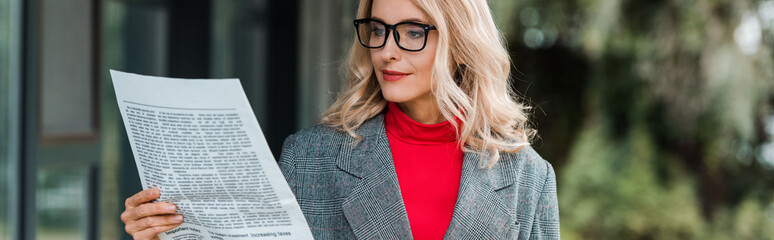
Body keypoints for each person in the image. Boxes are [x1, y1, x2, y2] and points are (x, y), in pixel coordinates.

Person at [120, 0, 560, 239]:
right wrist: (159, 238)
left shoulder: (527, 177)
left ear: (461, 43)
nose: (387, 50)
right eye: (377, 29)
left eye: (412, 32)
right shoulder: (312, 156)